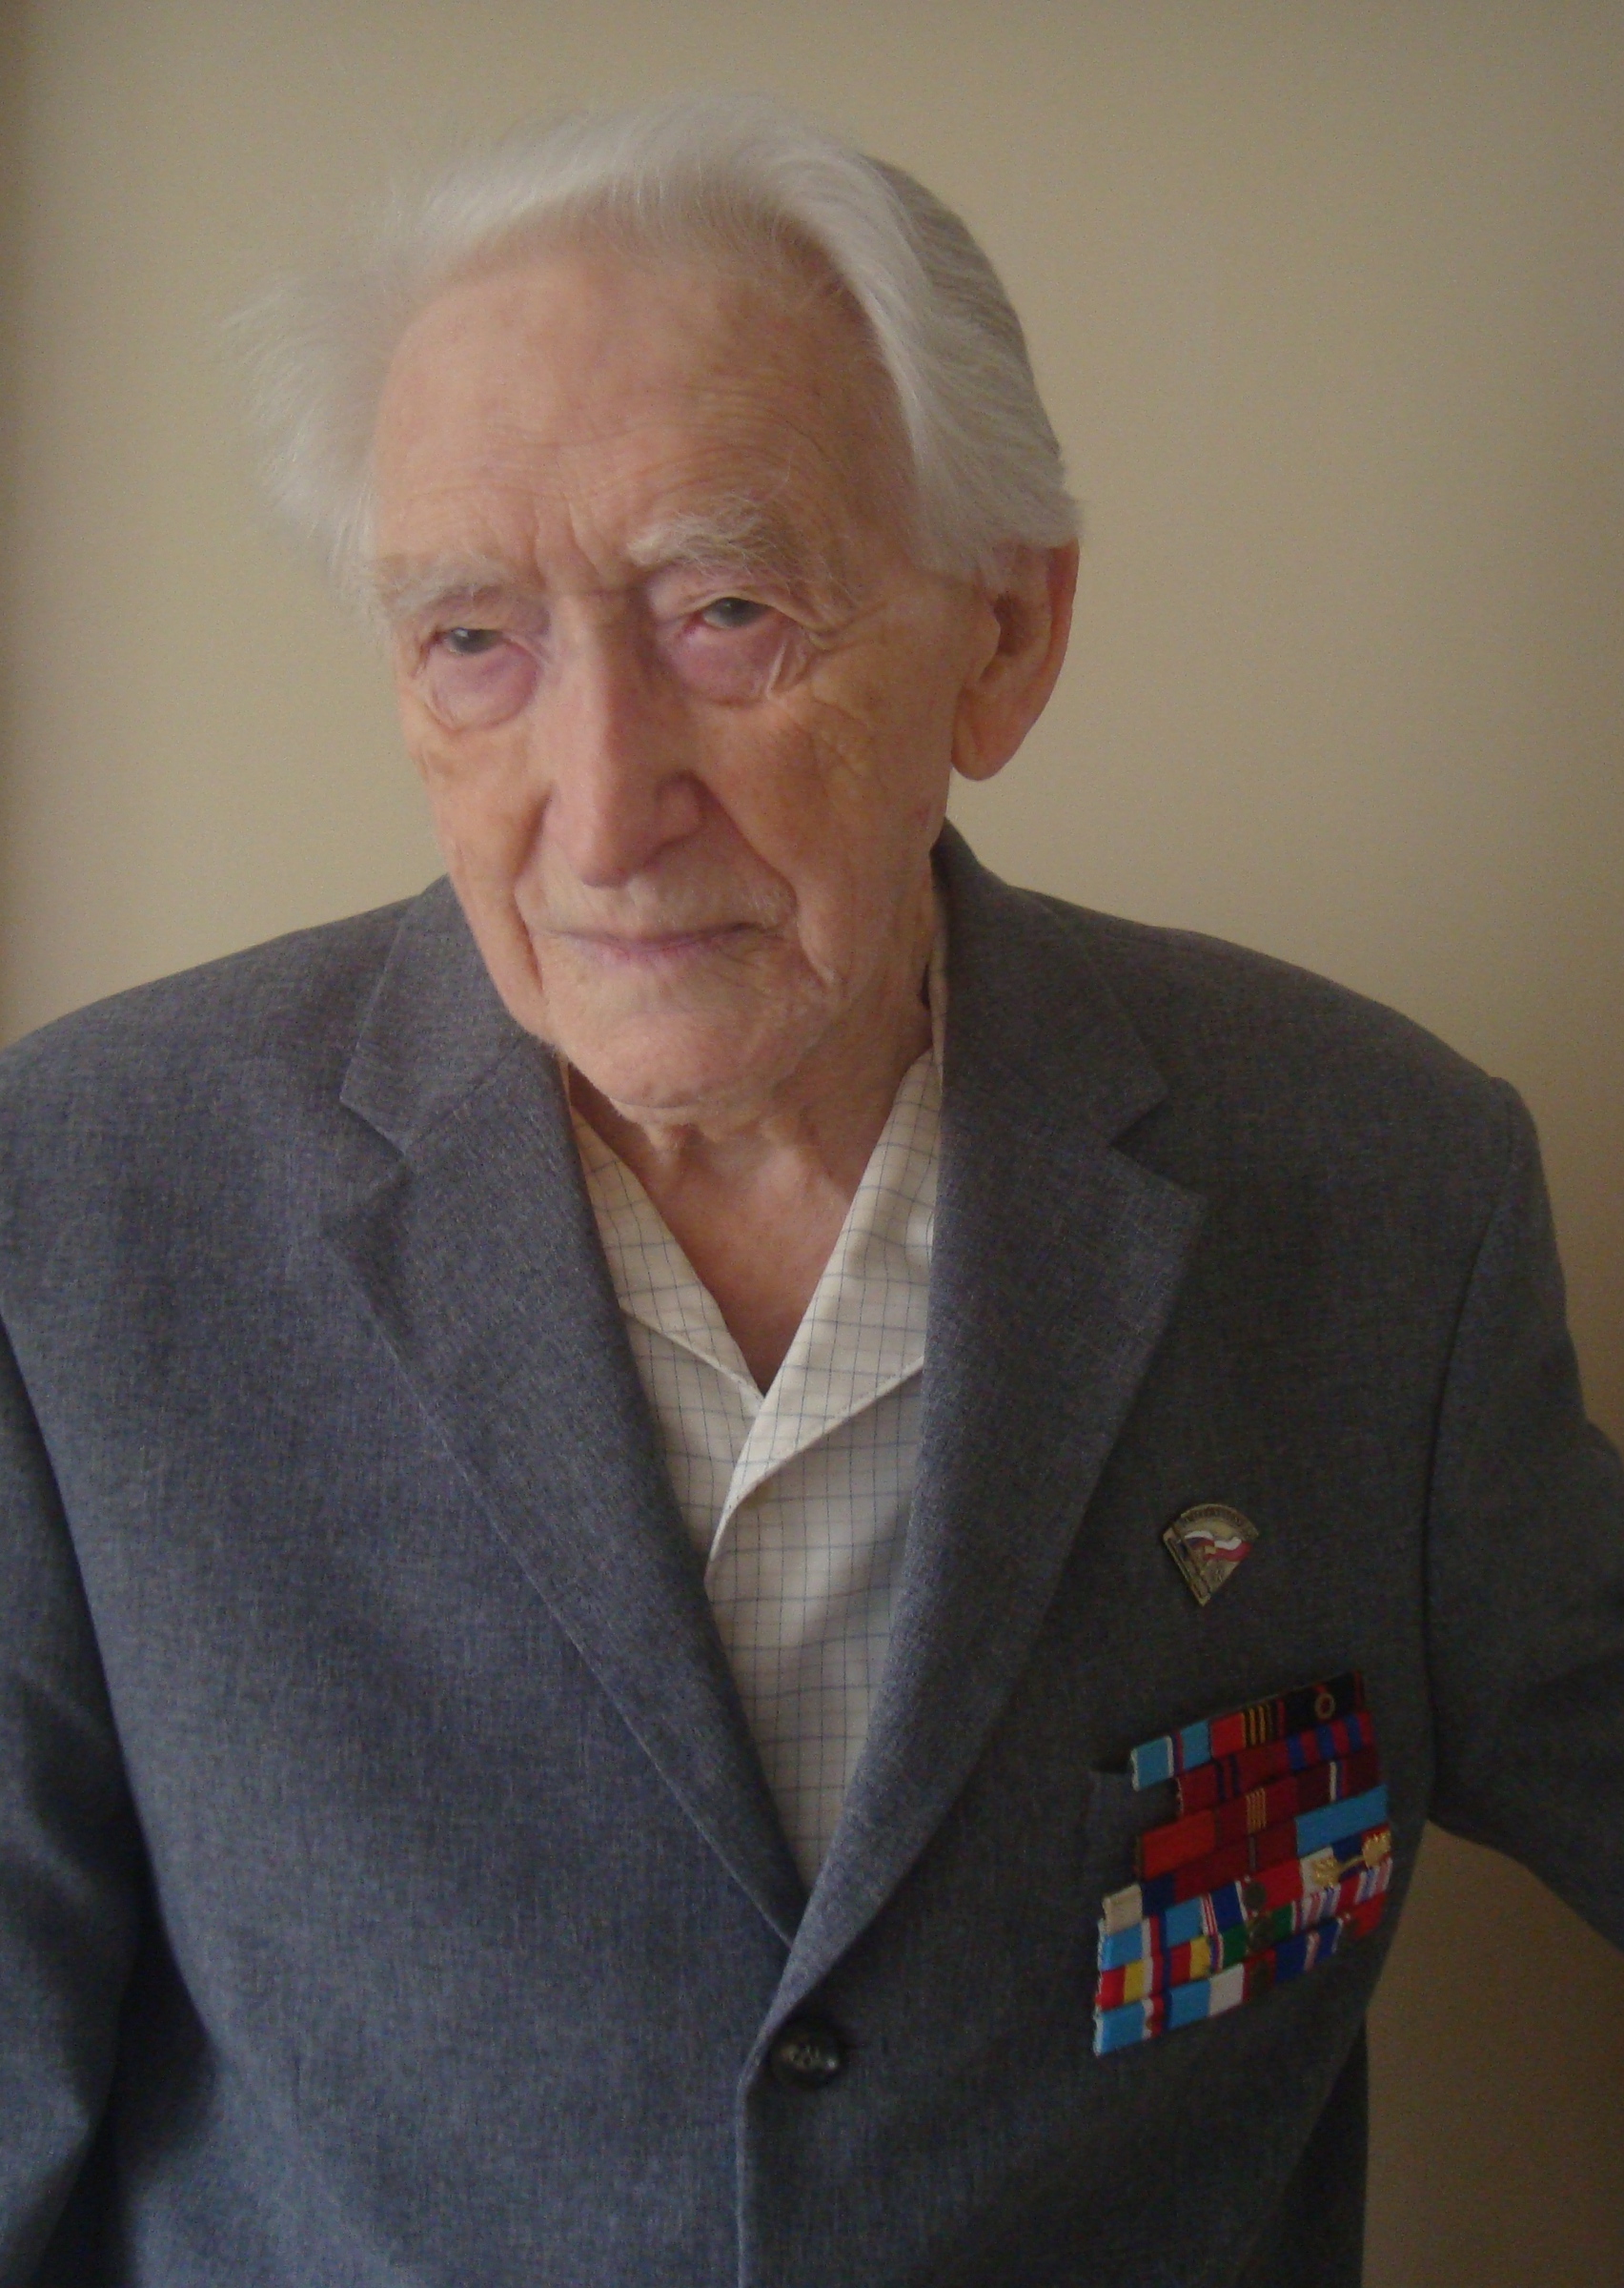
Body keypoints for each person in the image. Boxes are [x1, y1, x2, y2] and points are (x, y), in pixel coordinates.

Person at [0, 93, 1618, 2288]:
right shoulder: (79, 1209)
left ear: (1005, 635)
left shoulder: (1375, 1187)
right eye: (474, 639)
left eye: (728, 611)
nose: (601, 815)